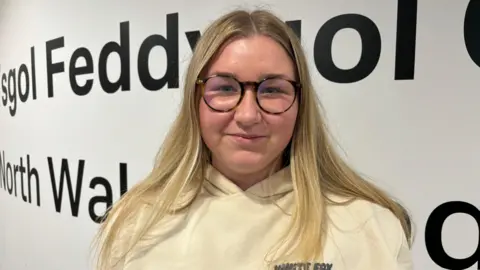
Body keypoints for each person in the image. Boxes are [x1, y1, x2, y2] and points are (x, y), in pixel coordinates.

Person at [91, 8, 414, 270]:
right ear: (195, 102)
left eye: (272, 89)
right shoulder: (137, 221)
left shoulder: (370, 226)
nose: (247, 115)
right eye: (225, 88)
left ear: (301, 105)